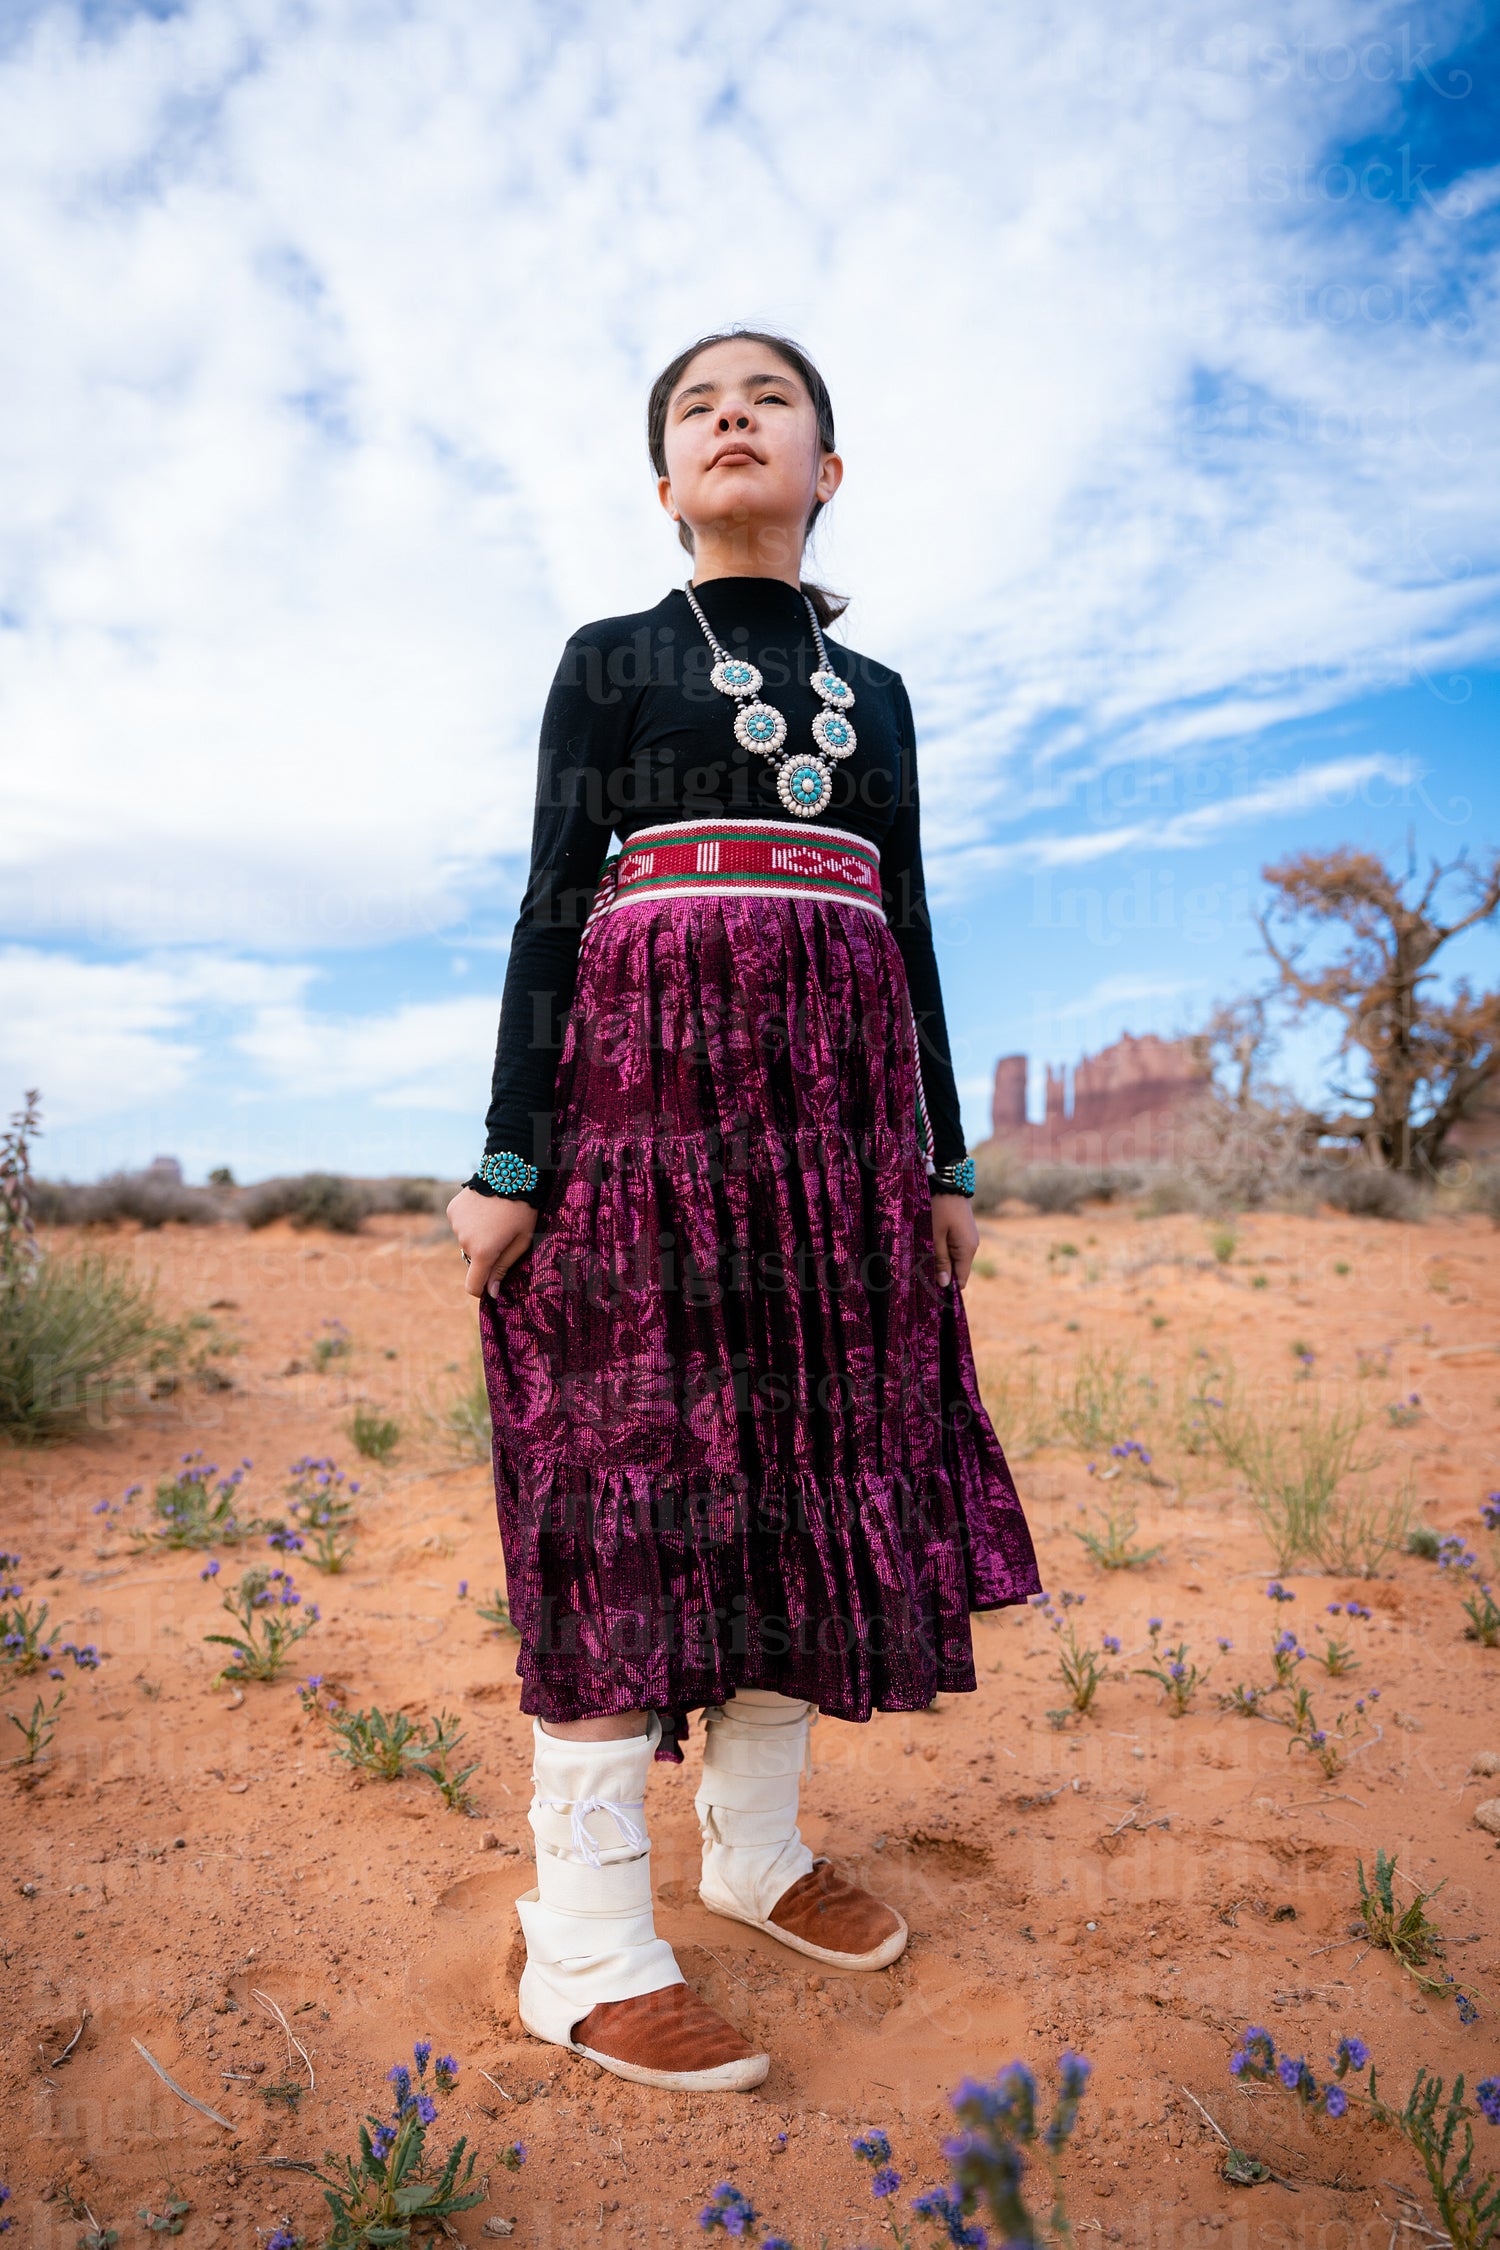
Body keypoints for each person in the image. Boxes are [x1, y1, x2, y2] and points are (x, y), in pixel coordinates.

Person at [446, 328, 1040, 2093]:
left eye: (767, 399)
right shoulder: (612, 656)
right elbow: (552, 900)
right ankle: (584, 1940)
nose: (731, 418)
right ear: (664, 484)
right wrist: (509, 1156)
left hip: (841, 1116)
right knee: (628, 1463)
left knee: (817, 1452)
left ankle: (758, 1849)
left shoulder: (887, 689)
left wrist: (941, 1154)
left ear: (826, 469)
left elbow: (910, 920)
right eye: (698, 406)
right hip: (647, 1097)